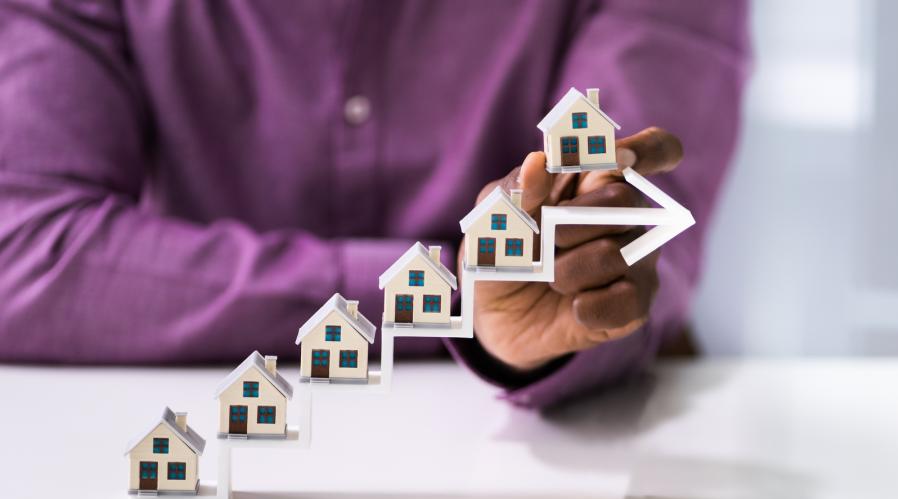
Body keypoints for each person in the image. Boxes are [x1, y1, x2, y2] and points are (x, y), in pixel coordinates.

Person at [0, 0, 749, 408]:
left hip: (554, 465)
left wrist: (564, 282)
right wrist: (455, 290)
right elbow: (25, 252)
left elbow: (631, 236)